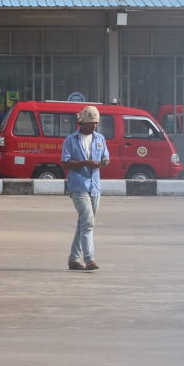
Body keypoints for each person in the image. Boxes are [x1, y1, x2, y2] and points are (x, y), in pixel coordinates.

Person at [61, 105, 110, 271]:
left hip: (95, 187)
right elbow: (65, 162)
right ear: (82, 124)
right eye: (91, 123)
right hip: (78, 186)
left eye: (96, 123)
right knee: (88, 222)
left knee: (83, 223)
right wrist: (85, 163)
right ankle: (90, 260)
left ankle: (73, 259)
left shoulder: (100, 139)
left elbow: (106, 158)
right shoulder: (71, 140)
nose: (94, 126)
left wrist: (102, 163)